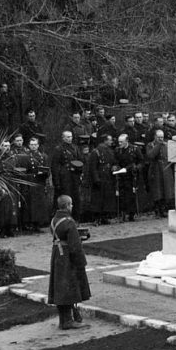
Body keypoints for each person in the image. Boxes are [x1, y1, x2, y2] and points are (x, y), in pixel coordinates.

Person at [47, 195, 91, 330]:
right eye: (71, 205)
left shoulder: (54, 220)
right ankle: (68, 321)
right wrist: (81, 262)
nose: (72, 207)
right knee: (69, 286)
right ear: (66, 205)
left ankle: (64, 319)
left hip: (57, 255)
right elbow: (75, 246)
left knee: (60, 287)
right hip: (67, 257)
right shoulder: (69, 222)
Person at [86, 134, 118, 223]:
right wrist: (96, 179)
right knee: (98, 199)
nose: (111, 142)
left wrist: (114, 166)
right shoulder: (96, 152)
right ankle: (97, 218)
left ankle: (105, 217)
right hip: (100, 177)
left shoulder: (110, 151)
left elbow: (114, 162)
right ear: (105, 141)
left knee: (107, 198)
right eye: (110, 140)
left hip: (108, 177)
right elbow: (93, 167)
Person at [114, 134, 144, 221]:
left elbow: (141, 161)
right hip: (121, 175)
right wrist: (116, 167)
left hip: (132, 175)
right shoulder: (117, 150)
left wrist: (136, 168)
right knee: (122, 195)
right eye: (119, 142)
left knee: (131, 195)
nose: (119, 143)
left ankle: (131, 214)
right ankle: (123, 213)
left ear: (126, 141)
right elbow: (115, 161)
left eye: (121, 142)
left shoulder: (134, 149)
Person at [145, 130, 174, 218]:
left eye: (162, 137)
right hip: (155, 169)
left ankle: (164, 209)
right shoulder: (150, 145)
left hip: (165, 169)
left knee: (166, 189)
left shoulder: (166, 144)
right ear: (155, 137)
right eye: (159, 137)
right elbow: (150, 155)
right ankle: (157, 210)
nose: (161, 139)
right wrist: (158, 145)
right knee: (157, 190)